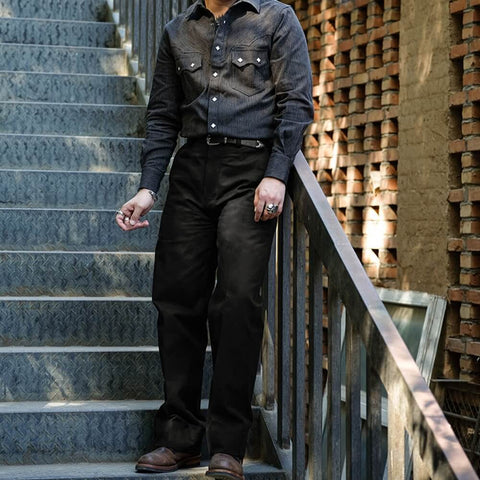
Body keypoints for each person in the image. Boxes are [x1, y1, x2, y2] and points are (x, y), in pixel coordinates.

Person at [115, 0, 312, 477]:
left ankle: (228, 446)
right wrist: (147, 188)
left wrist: (277, 173)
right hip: (191, 171)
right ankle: (178, 438)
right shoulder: (177, 30)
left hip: (250, 171)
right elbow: (163, 116)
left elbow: (296, 103)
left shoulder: (276, 19)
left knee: (238, 300)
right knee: (176, 299)